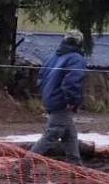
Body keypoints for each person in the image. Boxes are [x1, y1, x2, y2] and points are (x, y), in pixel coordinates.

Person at [29, 29, 88, 165]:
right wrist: (72, 101)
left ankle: (76, 168)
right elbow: (72, 82)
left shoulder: (50, 57)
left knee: (70, 135)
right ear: (79, 42)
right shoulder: (76, 59)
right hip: (62, 103)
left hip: (50, 100)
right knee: (51, 135)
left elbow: (40, 80)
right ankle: (25, 164)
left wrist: (47, 95)